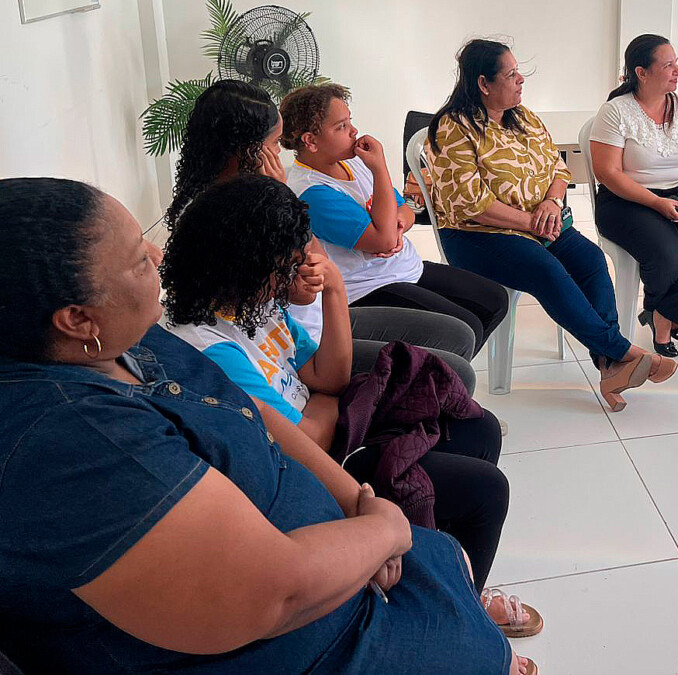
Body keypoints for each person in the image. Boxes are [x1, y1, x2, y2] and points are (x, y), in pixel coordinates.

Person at [0, 177, 535, 675]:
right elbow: (273, 593)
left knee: (451, 533)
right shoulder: (76, 442)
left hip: (335, 557)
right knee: (473, 578)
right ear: (77, 319)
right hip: (316, 635)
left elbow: (262, 415)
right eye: (139, 258)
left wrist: (357, 502)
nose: (158, 256)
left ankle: (469, 607)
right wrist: (384, 530)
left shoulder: (132, 343)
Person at [160, 176, 529, 603]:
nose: (293, 275)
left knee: (479, 428)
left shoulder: (250, 307)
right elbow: (308, 438)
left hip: (337, 434)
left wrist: (334, 288)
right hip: (319, 471)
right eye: (285, 266)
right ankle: (454, 604)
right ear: (248, 264)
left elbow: (330, 378)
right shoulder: (213, 348)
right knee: (486, 491)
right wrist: (325, 400)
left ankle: (444, 569)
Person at [166, 79, 480, 386]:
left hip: (311, 321)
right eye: (274, 144)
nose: (280, 153)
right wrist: (280, 197)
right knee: (452, 370)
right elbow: (303, 289)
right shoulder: (213, 214)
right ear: (249, 150)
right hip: (299, 340)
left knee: (459, 334)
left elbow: (317, 263)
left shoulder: (271, 189)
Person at [426, 38, 677, 412]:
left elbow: (558, 168)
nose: (521, 79)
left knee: (591, 260)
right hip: (478, 234)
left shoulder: (523, 117)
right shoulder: (452, 129)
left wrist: (551, 202)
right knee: (547, 270)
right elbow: (472, 204)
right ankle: (623, 352)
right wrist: (531, 221)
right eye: (511, 74)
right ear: (483, 84)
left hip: (540, 223)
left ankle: (611, 366)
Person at [279, 83, 509, 358]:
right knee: (466, 326)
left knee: (494, 300)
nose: (354, 131)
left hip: (402, 267)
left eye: (350, 121)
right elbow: (383, 240)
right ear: (310, 141)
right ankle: (438, 373)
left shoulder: (351, 162)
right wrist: (379, 168)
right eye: (341, 126)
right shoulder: (312, 192)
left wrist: (395, 225)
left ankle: (441, 371)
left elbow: (405, 210)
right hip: (368, 287)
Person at [589, 34, 678, 357]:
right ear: (641, 72)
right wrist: (656, 203)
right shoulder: (615, 111)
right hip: (626, 199)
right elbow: (607, 173)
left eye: (676, 63)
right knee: (669, 254)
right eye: (668, 65)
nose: (677, 71)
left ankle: (662, 313)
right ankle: (666, 321)